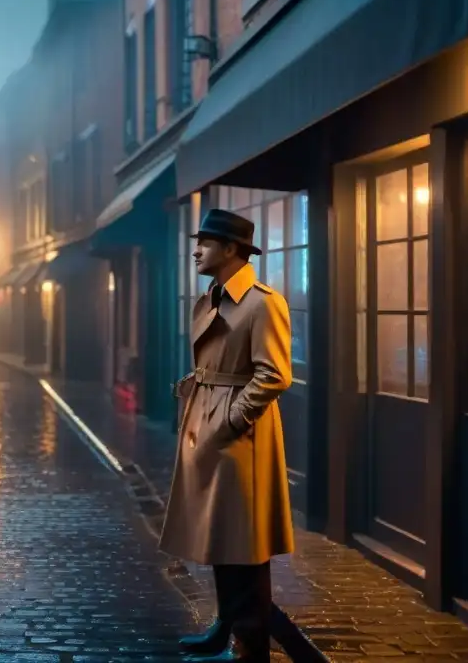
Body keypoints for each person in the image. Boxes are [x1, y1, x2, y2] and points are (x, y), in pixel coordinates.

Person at [160, 209, 324, 663]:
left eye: (206, 243)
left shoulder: (262, 302)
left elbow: (274, 375)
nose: (196, 250)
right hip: (207, 420)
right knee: (220, 535)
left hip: (239, 433)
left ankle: (251, 641)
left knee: (244, 541)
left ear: (231, 250)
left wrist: (230, 420)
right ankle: (226, 624)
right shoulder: (211, 297)